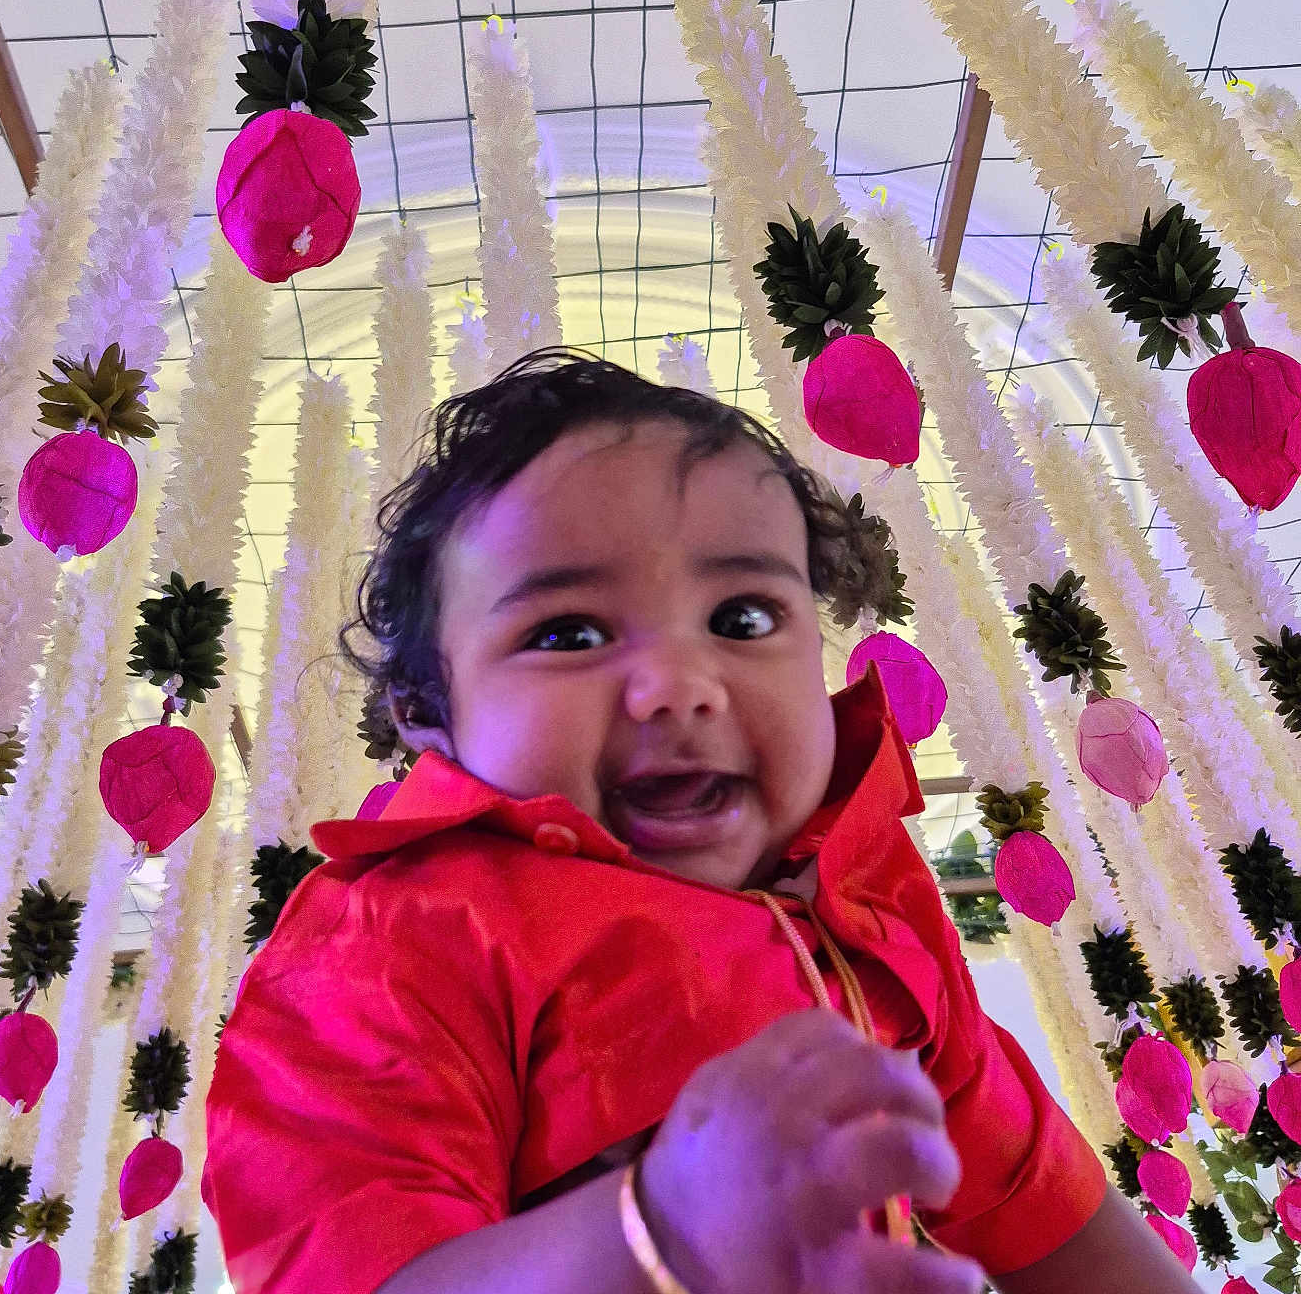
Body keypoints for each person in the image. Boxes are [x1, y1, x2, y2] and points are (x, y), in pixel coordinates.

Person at [203, 350, 1198, 1294]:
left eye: (743, 619)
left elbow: (1046, 1204)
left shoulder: (870, 894)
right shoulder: (389, 941)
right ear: (430, 711)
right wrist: (661, 1233)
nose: (679, 688)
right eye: (568, 633)